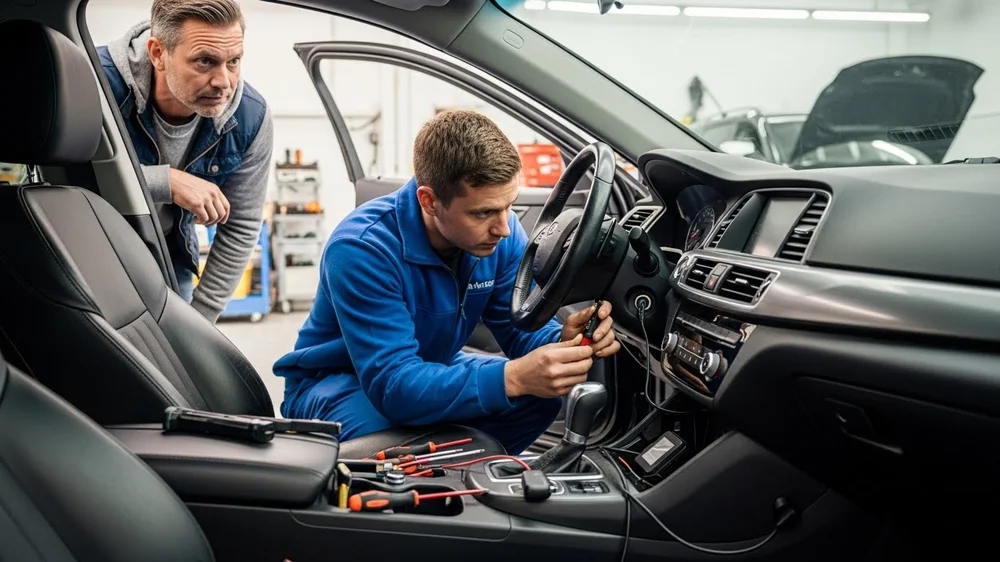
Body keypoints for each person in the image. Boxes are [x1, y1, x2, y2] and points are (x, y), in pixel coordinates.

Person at [274, 110, 622, 454]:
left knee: (538, 396)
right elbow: (394, 385)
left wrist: (561, 339)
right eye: (482, 213)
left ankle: (466, 480)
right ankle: (431, 481)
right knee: (395, 441)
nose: (503, 228)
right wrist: (513, 377)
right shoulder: (362, 249)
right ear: (429, 201)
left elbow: (516, 329)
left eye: (508, 207)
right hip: (336, 383)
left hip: (428, 364)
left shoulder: (501, 234)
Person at [97, 0, 274, 322]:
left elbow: (241, 225)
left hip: (167, 255)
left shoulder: (250, 117)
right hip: (85, 247)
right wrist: (165, 182)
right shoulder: (95, 83)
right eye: (205, 61)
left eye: (233, 62)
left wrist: (201, 320)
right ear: (157, 53)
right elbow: (54, 181)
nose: (224, 82)